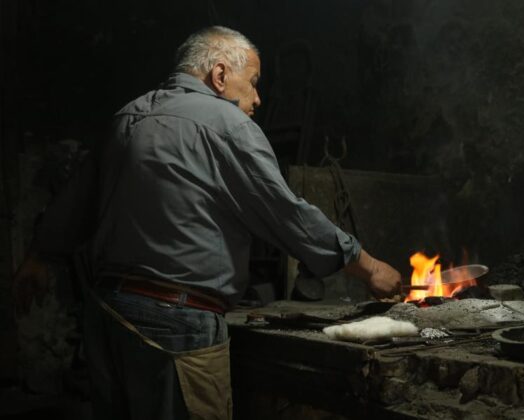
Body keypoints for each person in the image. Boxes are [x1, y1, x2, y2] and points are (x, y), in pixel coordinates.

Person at [12, 25, 401, 420]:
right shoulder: (227, 125)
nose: (258, 98)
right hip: (175, 324)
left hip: (107, 319)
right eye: (253, 83)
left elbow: (75, 203)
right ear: (219, 76)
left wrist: (39, 256)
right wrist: (368, 267)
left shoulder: (127, 116)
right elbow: (288, 215)